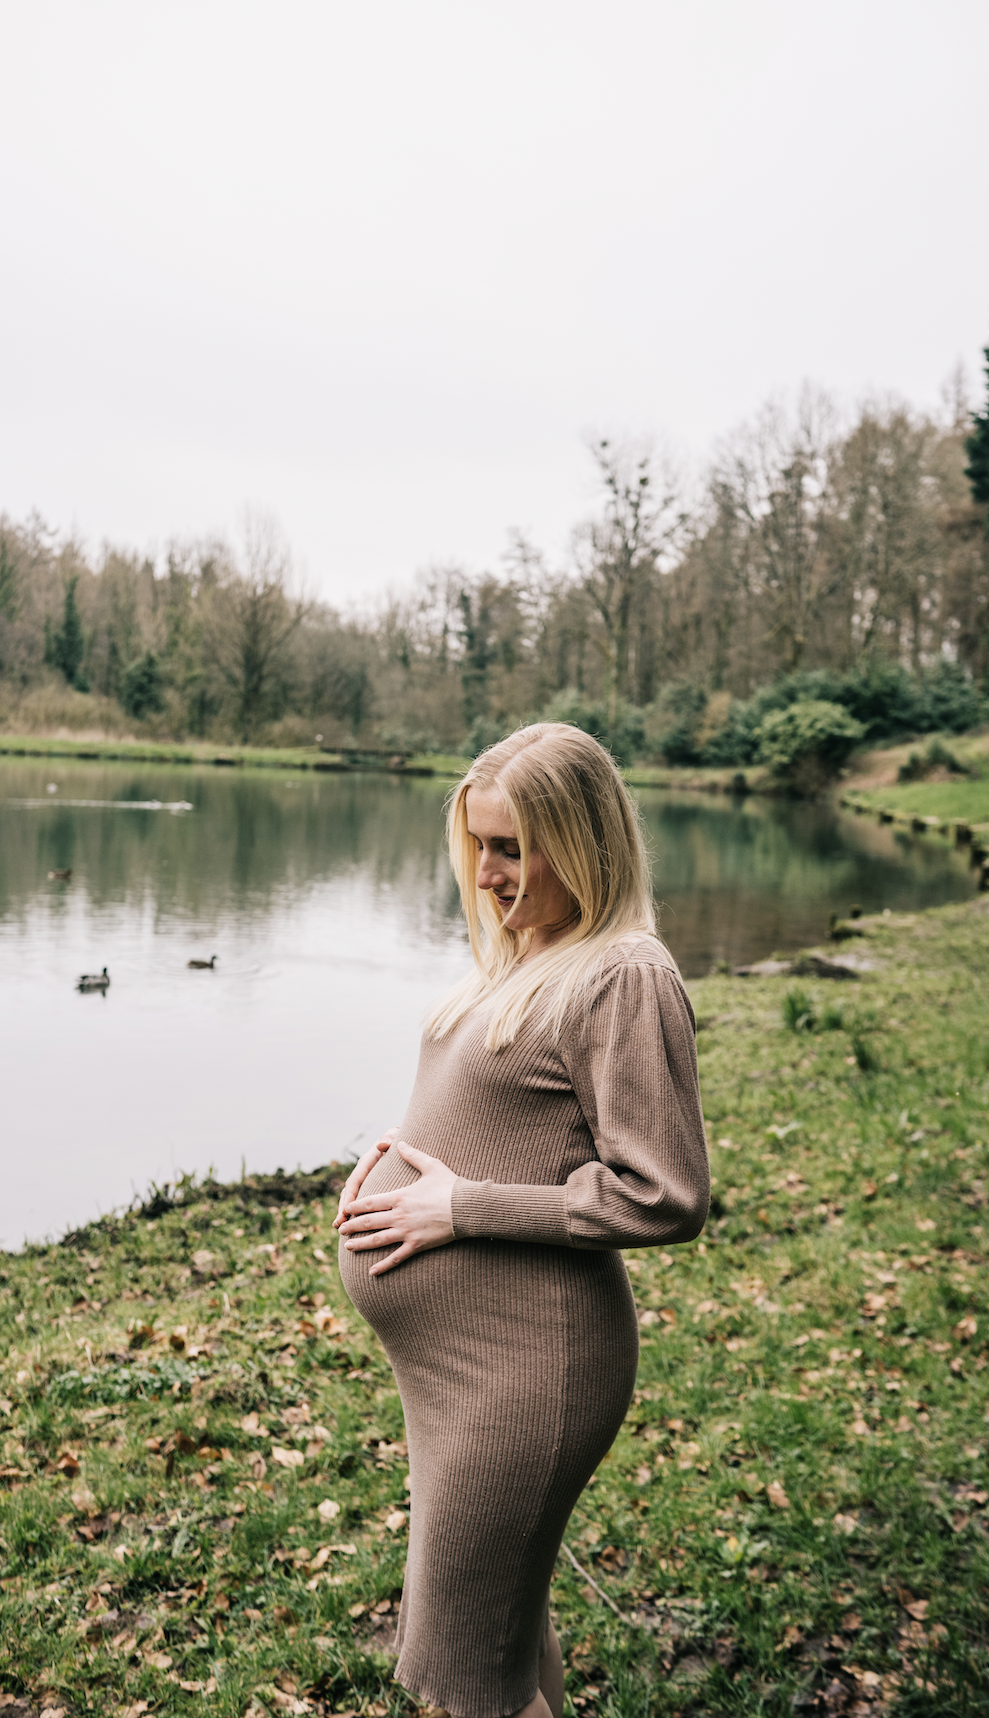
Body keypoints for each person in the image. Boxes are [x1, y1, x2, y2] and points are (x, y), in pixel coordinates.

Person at [335, 722, 710, 1718]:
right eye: (478, 845)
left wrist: (457, 1205)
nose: (489, 873)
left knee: (468, 1674)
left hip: (525, 1367)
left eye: (511, 847)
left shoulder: (623, 972)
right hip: (456, 1370)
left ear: (583, 839)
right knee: (497, 1635)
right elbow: (500, 1111)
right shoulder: (529, 949)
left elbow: (662, 1191)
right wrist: (396, 1156)